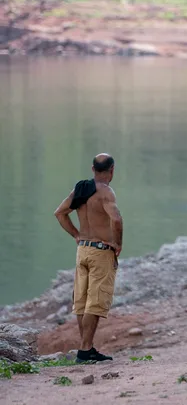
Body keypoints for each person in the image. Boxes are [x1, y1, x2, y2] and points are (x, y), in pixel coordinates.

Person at [53, 154, 123, 364]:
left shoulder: (81, 189)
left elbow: (60, 213)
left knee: (82, 301)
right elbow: (116, 219)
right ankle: (85, 350)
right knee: (95, 301)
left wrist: (76, 235)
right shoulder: (106, 192)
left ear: (92, 169)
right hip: (100, 251)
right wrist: (118, 243)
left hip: (82, 250)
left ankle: (87, 348)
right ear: (112, 170)